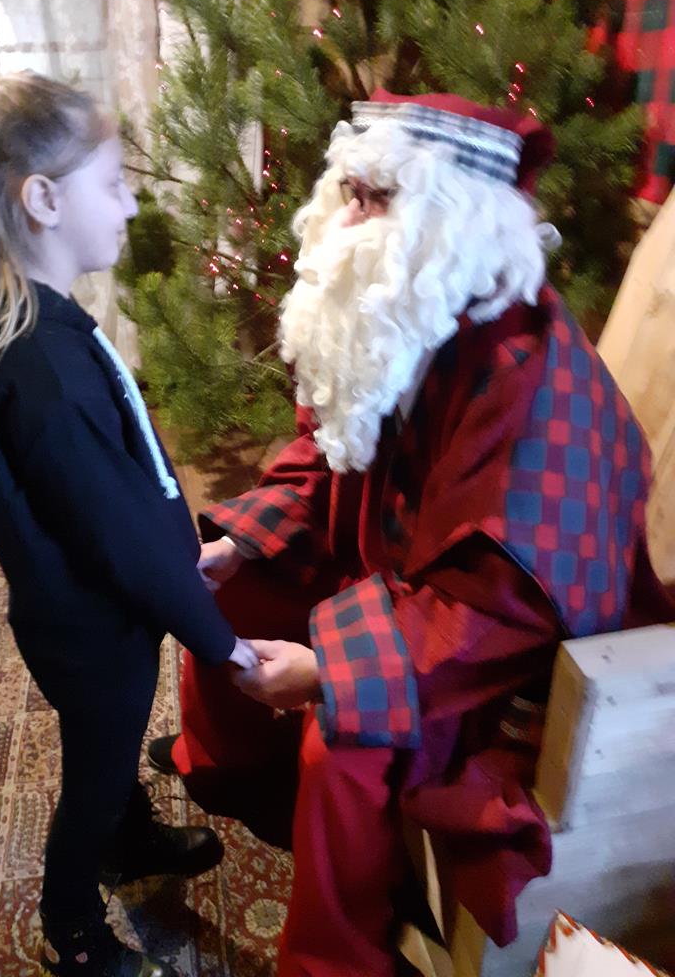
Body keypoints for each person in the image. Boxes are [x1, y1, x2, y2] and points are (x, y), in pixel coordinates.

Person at [148, 91, 675, 977]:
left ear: (458, 222)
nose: (349, 217)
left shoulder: (538, 386)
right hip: (389, 580)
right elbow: (329, 453)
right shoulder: (400, 314)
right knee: (227, 594)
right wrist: (239, 546)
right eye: (347, 190)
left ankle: (336, 958)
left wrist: (329, 670)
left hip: (498, 661)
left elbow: (504, 608)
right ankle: (232, 771)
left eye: (378, 197)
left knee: (346, 740)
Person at [0, 62, 258, 977]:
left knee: (104, 748)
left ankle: (129, 837)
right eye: (113, 185)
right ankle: (69, 926)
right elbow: (117, 534)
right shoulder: (43, 371)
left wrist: (188, 550)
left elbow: (118, 492)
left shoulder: (41, 329)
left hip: (81, 618)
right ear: (42, 200)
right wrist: (223, 645)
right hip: (94, 631)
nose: (131, 204)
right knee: (97, 771)